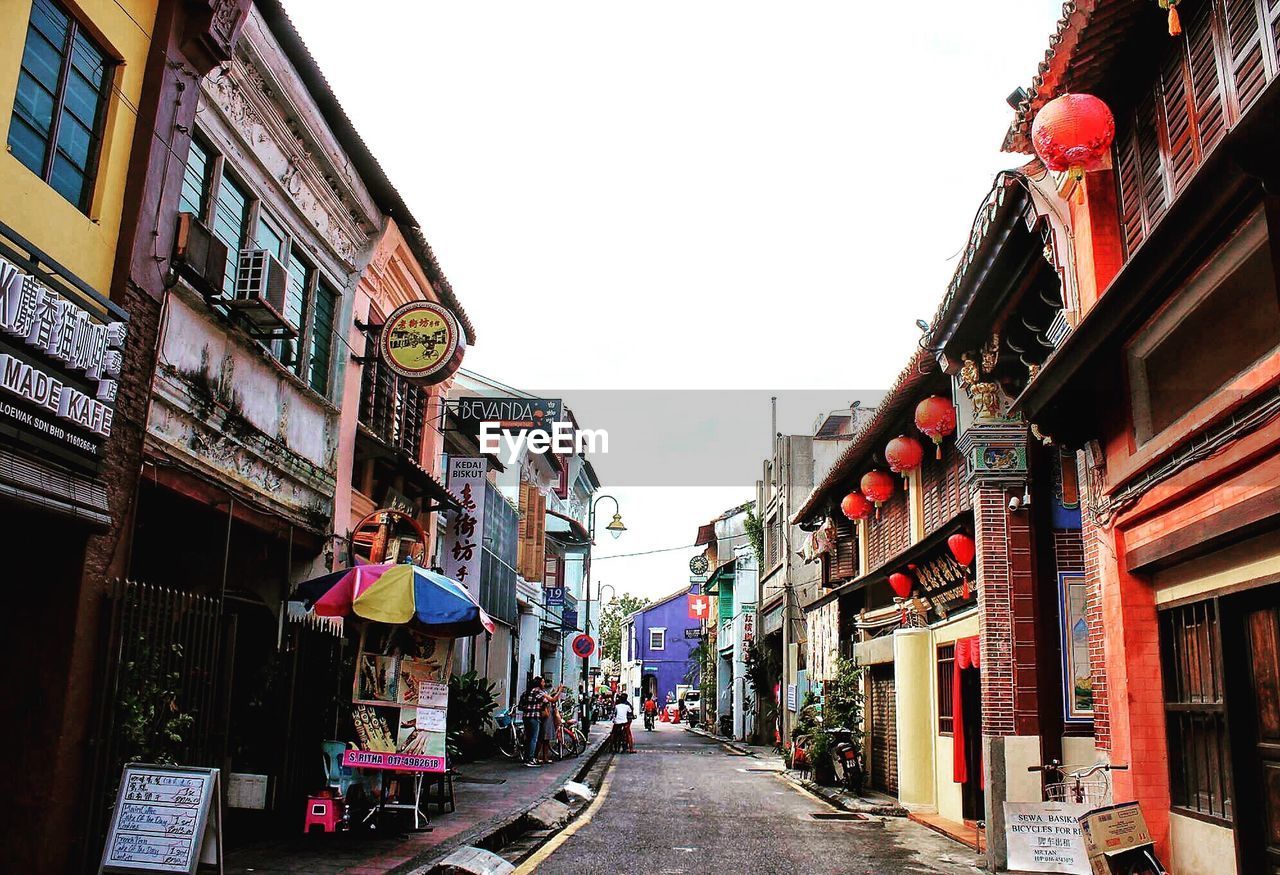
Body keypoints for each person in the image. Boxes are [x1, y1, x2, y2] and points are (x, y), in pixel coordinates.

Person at [538, 680, 567, 763]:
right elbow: (553, 699)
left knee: (546, 738)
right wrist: (560, 690)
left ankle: (544, 757)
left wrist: (558, 691)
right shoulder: (540, 692)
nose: (544, 683)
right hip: (544, 716)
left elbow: (552, 698)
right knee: (542, 737)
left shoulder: (544, 692)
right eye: (543, 682)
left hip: (548, 715)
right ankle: (537, 756)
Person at [519, 677, 546, 766]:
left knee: (528, 738)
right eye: (543, 682)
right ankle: (530, 759)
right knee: (534, 738)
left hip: (526, 717)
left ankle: (526, 757)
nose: (544, 684)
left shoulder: (525, 693)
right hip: (534, 717)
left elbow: (520, 706)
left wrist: (528, 707)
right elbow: (548, 701)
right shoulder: (538, 692)